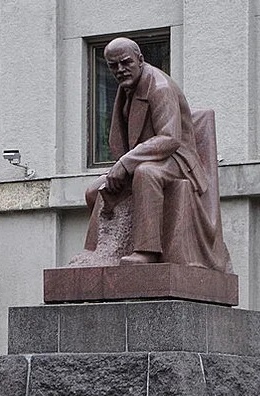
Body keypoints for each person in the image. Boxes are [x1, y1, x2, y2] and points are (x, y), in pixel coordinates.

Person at [81, 37, 230, 272]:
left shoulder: (160, 87)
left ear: (140, 60)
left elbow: (170, 138)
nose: (119, 70)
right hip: (145, 156)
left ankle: (147, 251)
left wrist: (126, 163)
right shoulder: (126, 88)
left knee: (145, 173)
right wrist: (121, 167)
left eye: (125, 62)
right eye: (113, 66)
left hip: (177, 159)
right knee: (92, 192)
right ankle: (103, 250)